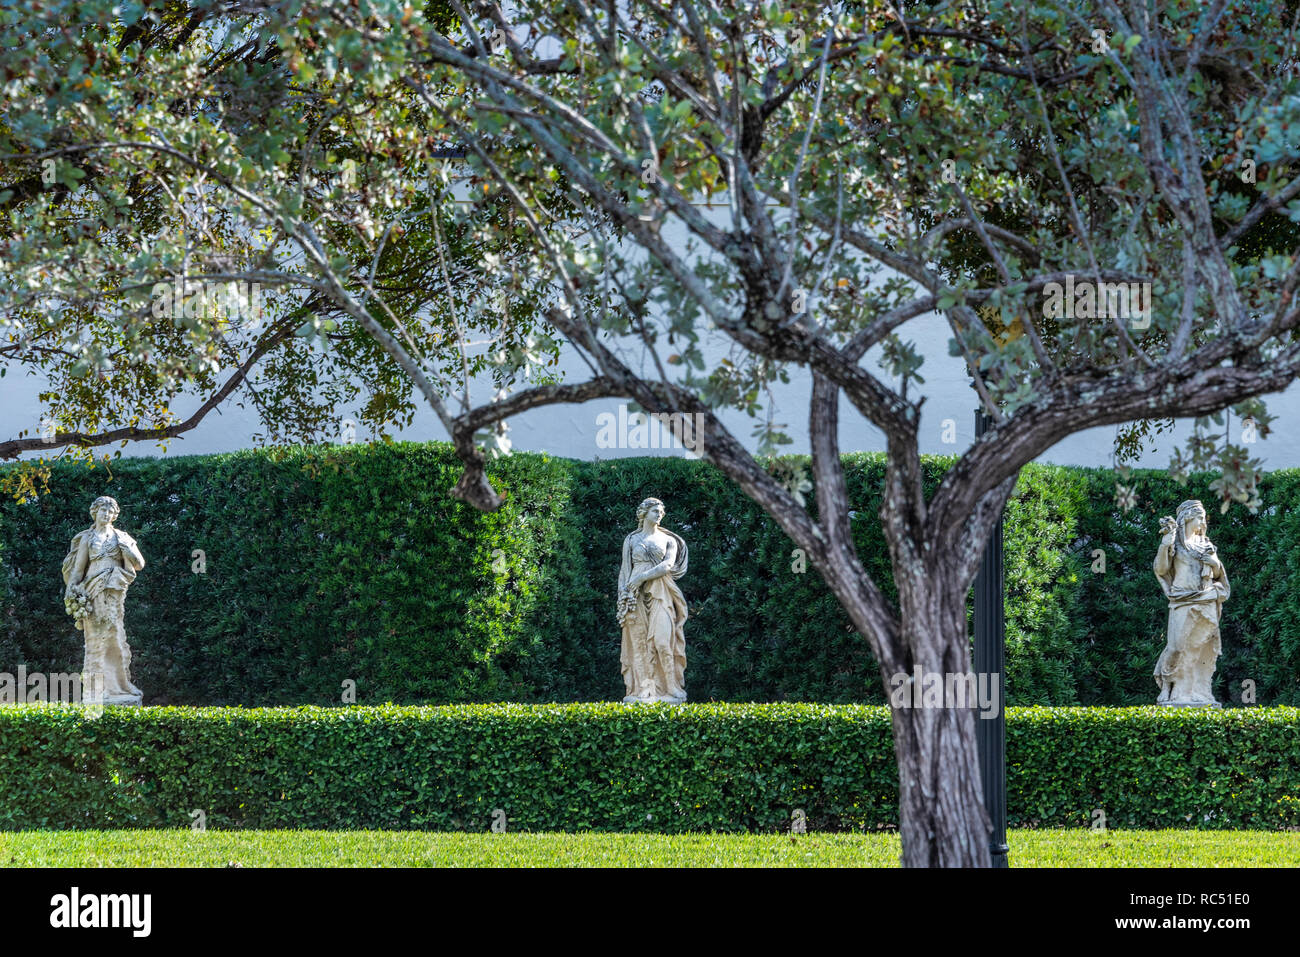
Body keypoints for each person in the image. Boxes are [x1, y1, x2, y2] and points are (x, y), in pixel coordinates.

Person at [61, 496, 146, 705]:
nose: (106, 515)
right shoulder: (87, 539)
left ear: (114, 515)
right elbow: (78, 570)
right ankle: (96, 689)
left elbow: (139, 564)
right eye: (102, 511)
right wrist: (71, 592)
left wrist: (129, 552)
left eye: (110, 512)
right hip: (92, 591)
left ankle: (120, 685)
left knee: (115, 636)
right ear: (95, 513)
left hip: (114, 591)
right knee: (95, 640)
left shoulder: (122, 538)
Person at [1152, 499, 1228, 706]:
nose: (1203, 523)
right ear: (1187, 517)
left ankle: (1196, 691)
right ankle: (1168, 683)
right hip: (1181, 598)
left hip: (1206, 599)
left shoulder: (1206, 545)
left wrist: (1214, 563)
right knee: (1176, 646)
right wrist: (1165, 543)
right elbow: (1160, 569)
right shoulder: (1175, 544)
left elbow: (1218, 574)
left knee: (1200, 647)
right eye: (1200, 518)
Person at [617, 497, 689, 704]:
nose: (659, 514)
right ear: (644, 513)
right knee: (638, 644)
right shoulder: (631, 539)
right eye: (655, 511)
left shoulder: (669, 540)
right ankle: (643, 690)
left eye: (661, 511)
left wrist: (641, 578)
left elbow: (667, 565)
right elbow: (625, 570)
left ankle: (671, 686)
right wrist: (624, 595)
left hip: (661, 592)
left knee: (663, 642)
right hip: (634, 595)